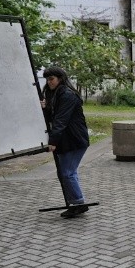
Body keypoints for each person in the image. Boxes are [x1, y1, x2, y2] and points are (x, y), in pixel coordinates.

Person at [42, 67, 90, 218]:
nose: (49, 82)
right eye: (47, 79)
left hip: (74, 140)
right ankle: (76, 202)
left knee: (67, 173)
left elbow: (61, 120)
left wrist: (53, 141)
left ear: (60, 79)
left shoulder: (67, 95)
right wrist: (46, 108)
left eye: (51, 79)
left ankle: (78, 203)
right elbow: (54, 116)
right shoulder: (56, 94)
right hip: (68, 140)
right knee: (68, 172)